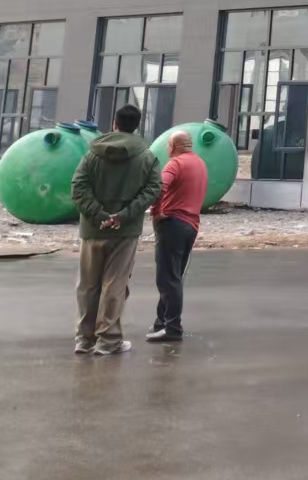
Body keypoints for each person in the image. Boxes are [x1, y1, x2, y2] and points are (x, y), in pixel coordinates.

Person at [69, 103, 162, 356]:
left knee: (87, 285)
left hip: (93, 229)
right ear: (137, 126)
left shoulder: (92, 155)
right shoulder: (147, 157)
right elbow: (154, 189)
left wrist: (100, 215)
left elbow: (78, 187)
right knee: (115, 284)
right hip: (125, 231)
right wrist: (124, 215)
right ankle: (108, 340)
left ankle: (84, 339)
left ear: (114, 124)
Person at [148, 130, 208, 343]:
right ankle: (161, 322)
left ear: (173, 146)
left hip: (172, 223)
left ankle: (172, 328)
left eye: (168, 144)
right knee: (174, 276)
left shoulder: (175, 164)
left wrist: (157, 211)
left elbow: (159, 187)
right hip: (191, 225)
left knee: (167, 278)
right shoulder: (200, 163)